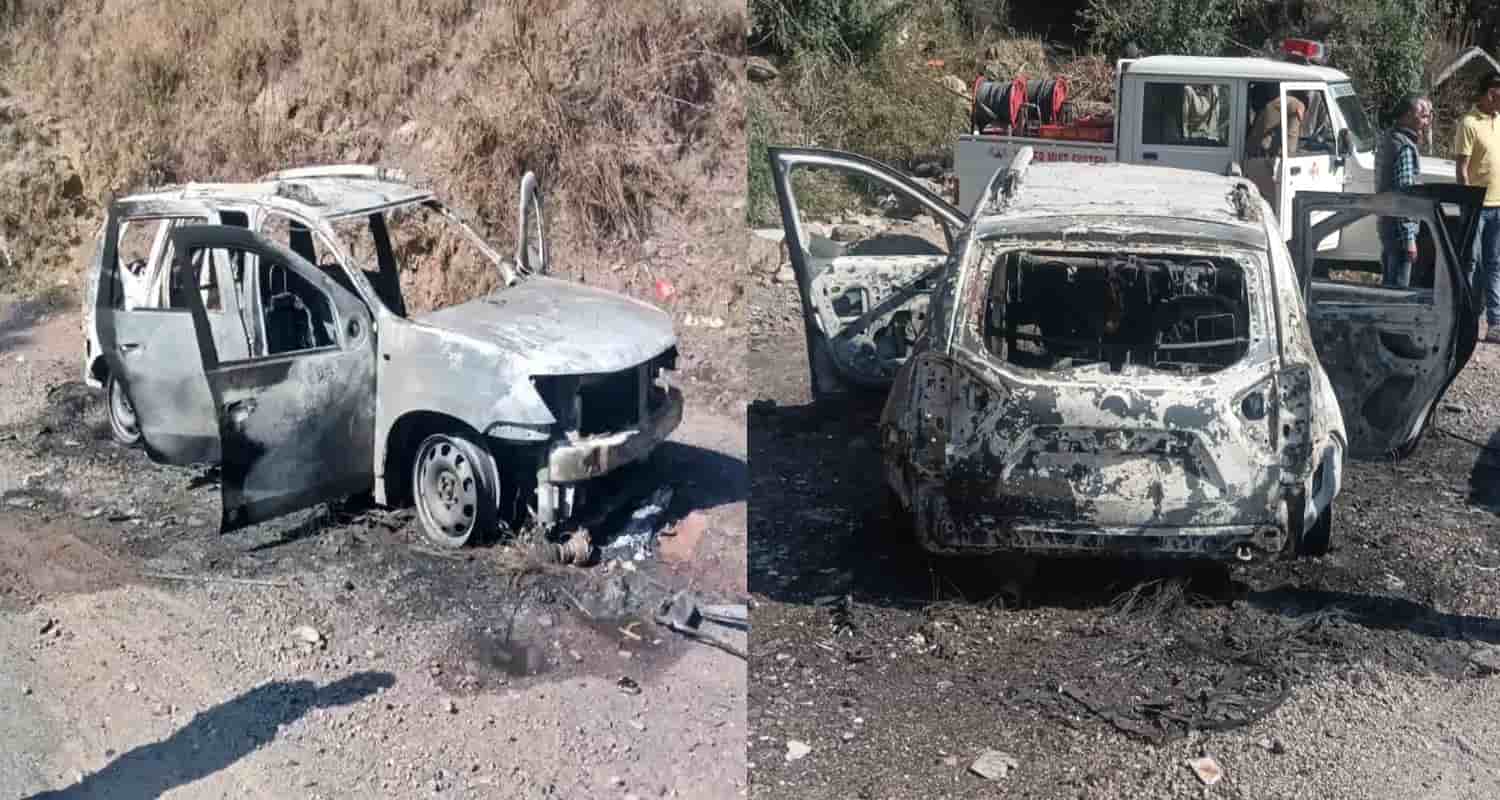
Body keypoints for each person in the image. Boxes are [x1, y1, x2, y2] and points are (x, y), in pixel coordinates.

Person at [1456, 75, 1500, 342]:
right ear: (1490, 93)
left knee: (1495, 263)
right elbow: (1461, 168)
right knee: (1471, 262)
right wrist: (1467, 203)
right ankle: (1465, 319)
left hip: (1498, 206)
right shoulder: (1469, 123)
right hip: (1477, 208)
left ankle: (1495, 323)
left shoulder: (1499, 120)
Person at [1376, 93, 1432, 288]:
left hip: (1386, 224)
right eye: (1423, 116)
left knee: (1389, 286)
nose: (1426, 121)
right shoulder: (1404, 147)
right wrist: (1409, 239)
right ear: (1408, 115)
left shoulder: (1388, 138)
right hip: (1399, 232)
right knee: (1398, 291)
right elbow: (1405, 195)